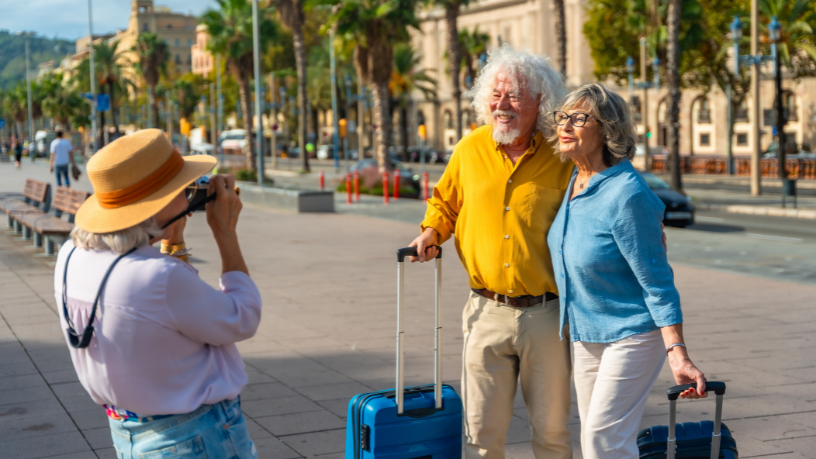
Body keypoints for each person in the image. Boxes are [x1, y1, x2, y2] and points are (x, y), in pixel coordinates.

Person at [54, 129, 261, 459]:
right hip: (196, 435)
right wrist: (226, 234)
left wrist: (171, 242)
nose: (190, 195)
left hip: (129, 432)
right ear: (159, 203)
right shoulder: (160, 277)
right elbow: (242, 318)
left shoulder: (69, 256)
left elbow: (155, 316)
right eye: (183, 188)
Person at [409, 44, 573, 458]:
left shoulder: (563, 156)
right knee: (481, 437)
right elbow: (444, 203)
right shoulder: (470, 149)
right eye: (496, 94)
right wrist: (431, 232)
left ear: (541, 101)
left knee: (552, 434)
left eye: (515, 95)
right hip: (485, 313)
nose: (503, 104)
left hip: (548, 314)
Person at [546, 83, 707, 458]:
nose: (566, 125)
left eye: (580, 117)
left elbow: (657, 283)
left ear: (607, 129)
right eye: (563, 117)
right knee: (597, 440)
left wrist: (678, 354)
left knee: (604, 442)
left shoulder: (627, 193)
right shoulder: (576, 179)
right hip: (587, 334)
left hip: (632, 334)